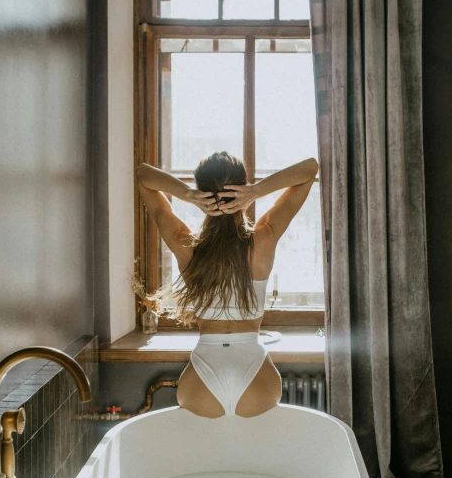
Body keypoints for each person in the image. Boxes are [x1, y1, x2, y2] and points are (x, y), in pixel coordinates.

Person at [136, 152, 319, 419]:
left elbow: (143, 174)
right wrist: (256, 191)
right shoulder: (263, 238)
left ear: (201, 190)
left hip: (203, 372)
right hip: (254, 368)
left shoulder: (185, 244)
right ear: (242, 188)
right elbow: (309, 168)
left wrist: (188, 195)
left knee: (203, 458)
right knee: (259, 457)